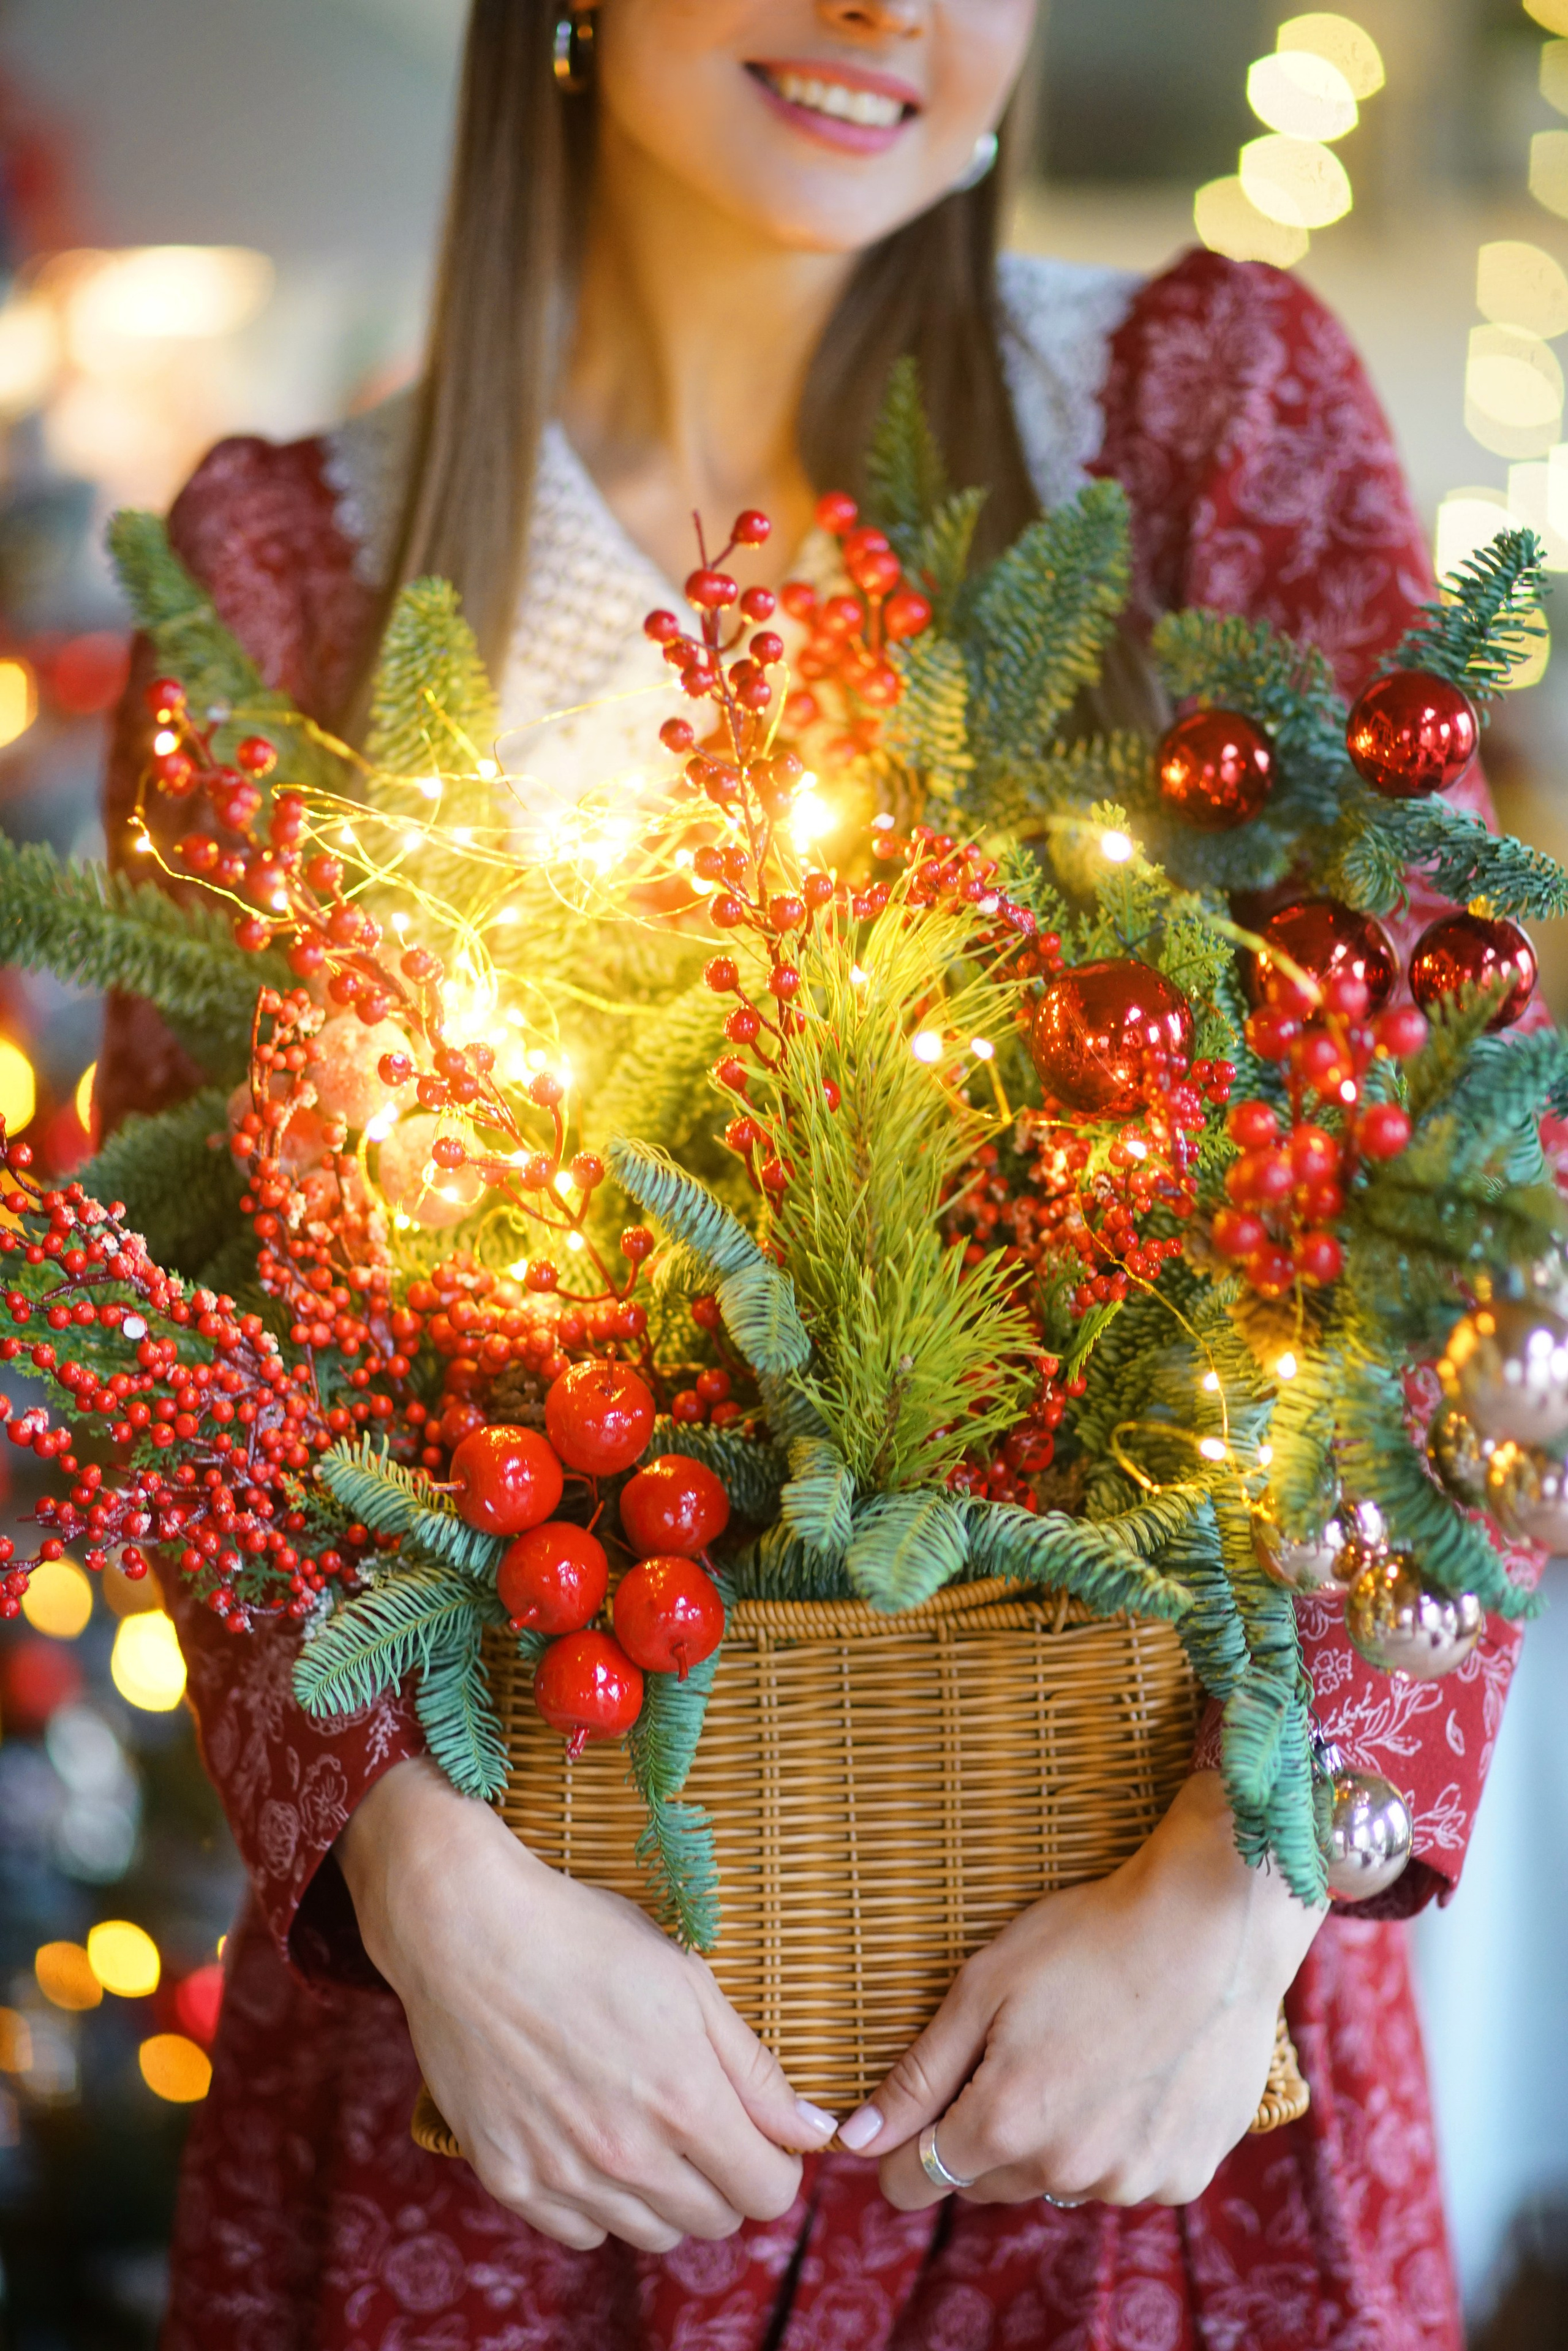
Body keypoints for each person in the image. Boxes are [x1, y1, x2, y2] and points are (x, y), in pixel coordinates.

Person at [99, 6, 1526, 2345]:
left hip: (1130, 2113)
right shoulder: (278, 576)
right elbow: (187, 1351)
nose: (891, 12)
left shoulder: (1204, 423)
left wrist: (1244, 1890)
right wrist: (426, 1885)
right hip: (520, 2117)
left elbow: (1483, 1212)